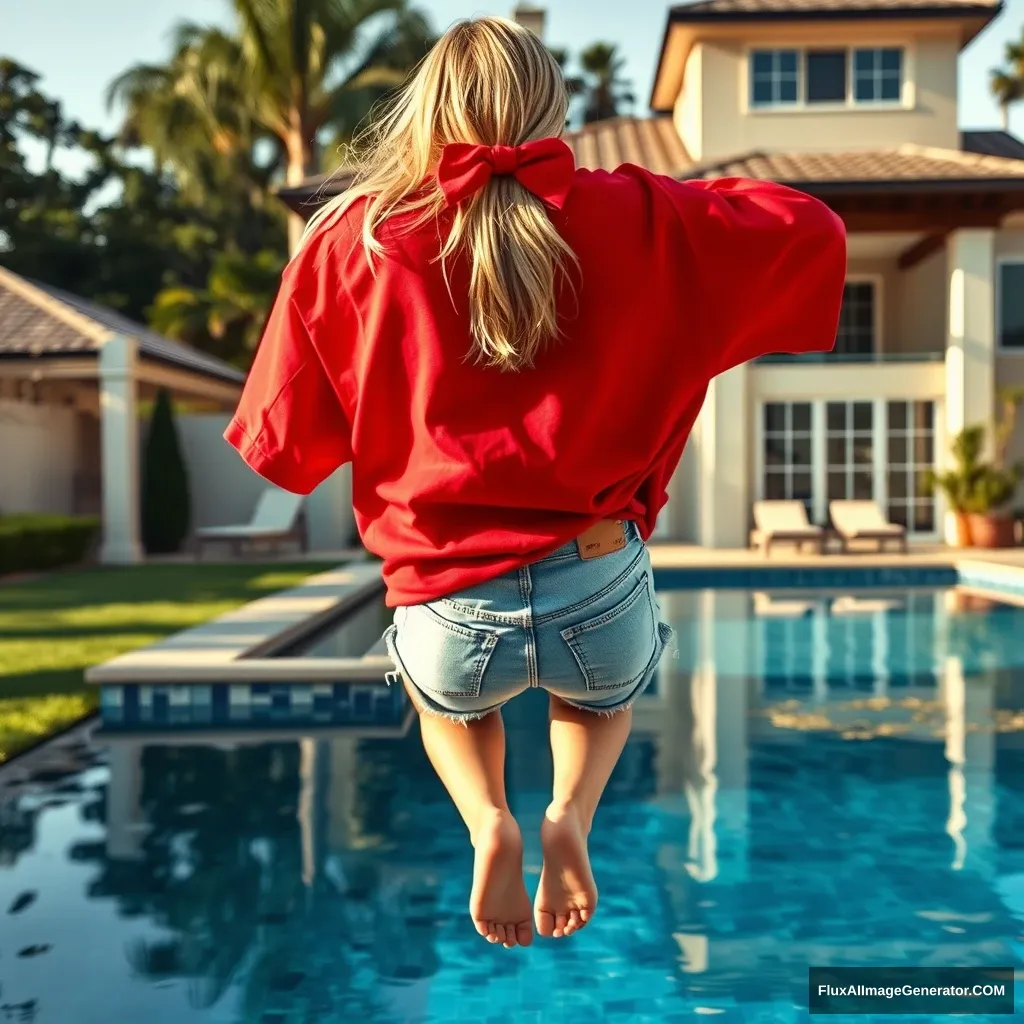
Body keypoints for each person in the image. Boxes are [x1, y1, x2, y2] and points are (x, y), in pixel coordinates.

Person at [225, 17, 846, 950]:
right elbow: (812, 225)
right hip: (595, 580)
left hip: (445, 605)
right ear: (551, 109)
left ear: (428, 107)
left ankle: (490, 822)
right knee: (597, 700)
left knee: (447, 708)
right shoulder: (645, 213)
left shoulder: (353, 239)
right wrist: (659, 203)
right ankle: (569, 816)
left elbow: (282, 441)